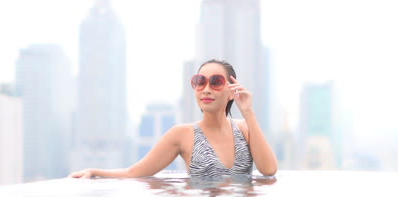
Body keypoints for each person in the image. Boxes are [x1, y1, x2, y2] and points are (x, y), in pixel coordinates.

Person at [68, 59, 277, 179]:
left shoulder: (244, 129)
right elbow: (135, 172)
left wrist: (248, 112)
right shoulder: (182, 134)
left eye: (216, 82)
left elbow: (269, 171)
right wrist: (94, 171)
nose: (206, 89)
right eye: (200, 82)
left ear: (231, 92)